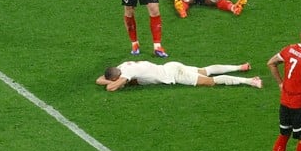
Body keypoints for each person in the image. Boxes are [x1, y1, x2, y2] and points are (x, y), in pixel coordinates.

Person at [264, 24, 301, 151]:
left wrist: (280, 84)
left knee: (284, 136)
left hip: (285, 102)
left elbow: (271, 63)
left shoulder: (290, 49)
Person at [95, 60, 261, 91]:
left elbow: (110, 87)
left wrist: (114, 83)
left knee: (209, 82)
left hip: (174, 74)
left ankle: (250, 81)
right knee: (204, 70)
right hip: (171, 65)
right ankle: (241, 66)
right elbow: (99, 80)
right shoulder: (122, 66)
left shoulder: (126, 73)